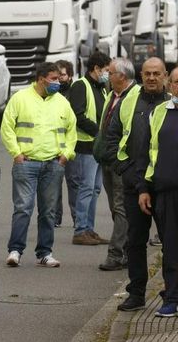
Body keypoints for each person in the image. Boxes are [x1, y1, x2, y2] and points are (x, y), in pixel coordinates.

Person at [104, 57, 167, 311]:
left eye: (157, 74)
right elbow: (112, 138)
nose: (152, 78)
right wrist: (125, 171)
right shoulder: (130, 100)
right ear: (141, 75)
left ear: (165, 75)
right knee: (135, 241)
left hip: (165, 187)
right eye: (147, 74)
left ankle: (172, 293)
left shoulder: (175, 101)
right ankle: (137, 293)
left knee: (171, 243)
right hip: (134, 184)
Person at [2, 62, 76, 268]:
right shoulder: (20, 98)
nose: (57, 82)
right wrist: (16, 154)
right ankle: (15, 250)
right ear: (41, 78)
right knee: (23, 208)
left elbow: (72, 130)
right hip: (27, 163)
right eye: (53, 78)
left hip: (53, 164)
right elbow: (7, 126)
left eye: (58, 78)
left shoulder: (62, 102)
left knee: (48, 211)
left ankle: (44, 252)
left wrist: (66, 155)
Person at [140, 66, 178, 317]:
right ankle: (175, 299)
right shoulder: (158, 113)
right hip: (166, 194)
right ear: (169, 85)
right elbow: (147, 153)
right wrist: (144, 189)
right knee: (172, 251)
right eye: (177, 81)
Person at [93, 57, 136, 271]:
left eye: (110, 73)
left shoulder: (134, 96)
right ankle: (128, 250)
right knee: (115, 208)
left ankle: (116, 254)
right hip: (108, 160)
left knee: (121, 208)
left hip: (121, 162)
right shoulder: (112, 95)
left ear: (122, 76)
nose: (106, 76)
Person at [67, 51, 111, 246]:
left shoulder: (101, 88)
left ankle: (89, 229)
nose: (108, 74)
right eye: (107, 70)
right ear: (96, 68)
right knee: (86, 189)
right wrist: (99, 132)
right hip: (85, 146)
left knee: (94, 189)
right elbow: (77, 115)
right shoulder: (80, 86)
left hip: (97, 147)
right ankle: (80, 230)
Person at [53, 59, 75, 227]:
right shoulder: (51, 94)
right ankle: (55, 218)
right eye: (57, 75)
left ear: (70, 75)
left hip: (72, 145)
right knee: (55, 185)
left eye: (63, 75)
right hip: (54, 146)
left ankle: (77, 219)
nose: (60, 78)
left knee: (74, 183)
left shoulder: (75, 92)